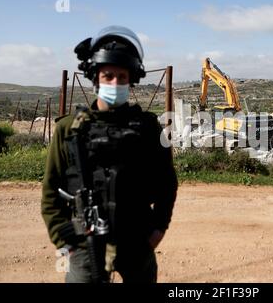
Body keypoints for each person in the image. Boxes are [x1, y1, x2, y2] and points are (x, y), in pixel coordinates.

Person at [41, 26, 178, 283]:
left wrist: (159, 228)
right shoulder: (68, 128)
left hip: (137, 241)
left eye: (122, 77)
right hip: (84, 245)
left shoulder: (148, 127)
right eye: (108, 76)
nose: (115, 83)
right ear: (95, 78)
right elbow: (51, 190)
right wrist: (65, 240)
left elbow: (166, 182)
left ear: (132, 79)